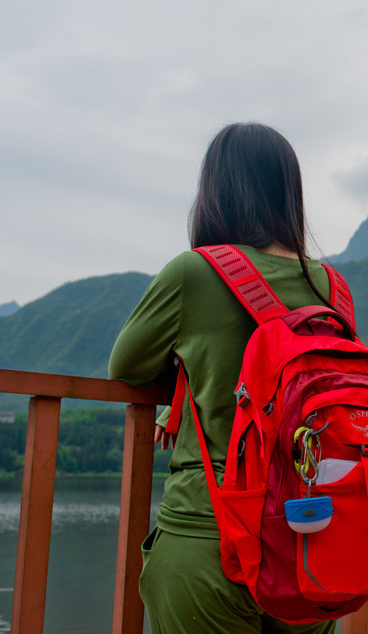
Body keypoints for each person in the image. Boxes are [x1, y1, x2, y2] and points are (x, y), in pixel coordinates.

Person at [110, 122, 337, 634]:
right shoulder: (328, 285)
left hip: (208, 534)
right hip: (308, 540)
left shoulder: (193, 273)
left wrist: (186, 382)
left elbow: (125, 367)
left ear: (215, 191)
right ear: (289, 193)